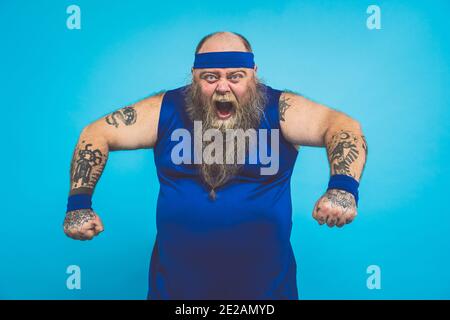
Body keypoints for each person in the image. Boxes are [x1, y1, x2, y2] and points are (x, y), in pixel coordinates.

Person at [63, 31, 368, 300]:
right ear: (194, 76)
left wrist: (342, 189)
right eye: (210, 77)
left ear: (254, 74)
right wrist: (79, 204)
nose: (223, 87)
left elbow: (342, 128)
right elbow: (96, 133)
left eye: (235, 76)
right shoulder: (166, 110)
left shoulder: (280, 109)